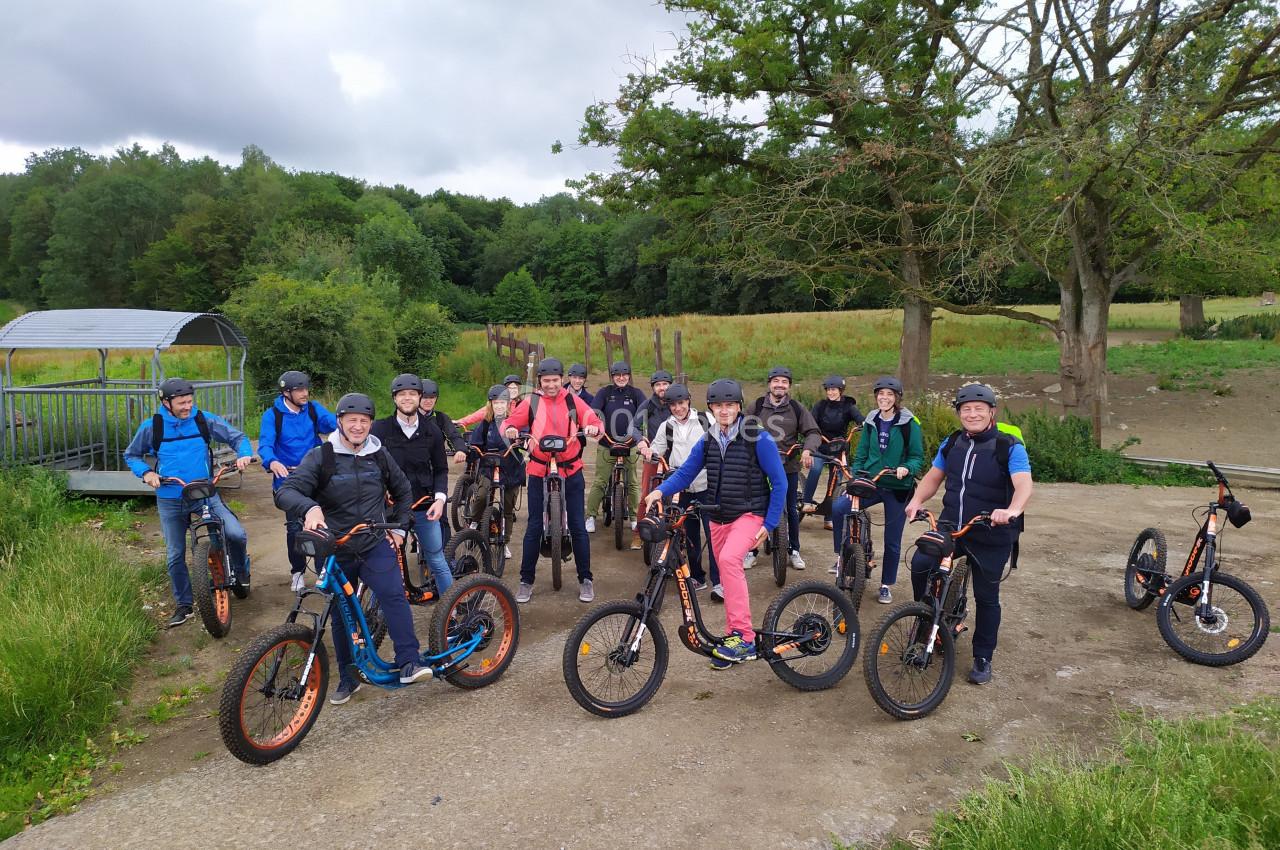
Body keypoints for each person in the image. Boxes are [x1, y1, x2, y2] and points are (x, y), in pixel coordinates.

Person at [275, 393, 432, 704]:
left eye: (363, 421)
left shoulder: (379, 454)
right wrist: (310, 508)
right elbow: (286, 492)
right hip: (336, 548)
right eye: (351, 420)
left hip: (374, 543)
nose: (358, 426)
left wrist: (399, 529)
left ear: (370, 423)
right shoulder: (322, 456)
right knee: (340, 613)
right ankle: (349, 677)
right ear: (339, 422)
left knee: (393, 596)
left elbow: (403, 491)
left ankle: (409, 661)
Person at [644, 379, 787, 668]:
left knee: (730, 561)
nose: (724, 411)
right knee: (726, 573)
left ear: (738, 406)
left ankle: (744, 637)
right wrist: (660, 491)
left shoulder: (757, 437)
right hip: (718, 517)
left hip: (750, 514)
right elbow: (687, 472)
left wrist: (770, 523)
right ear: (710, 408)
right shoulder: (709, 438)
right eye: (718, 406)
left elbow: (780, 482)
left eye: (730, 405)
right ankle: (733, 639)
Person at [903, 382, 1033, 686]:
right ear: (959, 413)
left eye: (979, 409)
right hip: (953, 525)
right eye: (966, 409)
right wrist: (916, 500)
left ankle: (983, 656)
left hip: (991, 530)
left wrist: (1012, 510)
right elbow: (934, 477)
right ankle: (928, 619)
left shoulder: (1008, 446)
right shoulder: (952, 443)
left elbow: (1024, 484)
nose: (972, 414)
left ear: (992, 412)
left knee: (987, 597)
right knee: (921, 563)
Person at [124, 378, 254, 627]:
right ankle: (184, 605)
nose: (187, 407)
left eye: (190, 401)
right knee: (175, 554)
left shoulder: (203, 420)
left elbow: (238, 437)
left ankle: (240, 572)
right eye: (182, 403)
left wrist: (244, 454)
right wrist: (146, 473)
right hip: (170, 498)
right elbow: (131, 455)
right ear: (166, 403)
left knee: (235, 534)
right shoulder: (153, 426)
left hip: (204, 493)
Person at [502, 357, 604, 603]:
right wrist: (511, 429)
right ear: (540, 381)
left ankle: (585, 579)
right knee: (534, 526)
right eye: (546, 380)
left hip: (571, 469)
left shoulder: (572, 400)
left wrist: (593, 427)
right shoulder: (532, 401)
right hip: (539, 470)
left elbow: (593, 419)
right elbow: (508, 422)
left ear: (562, 380)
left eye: (555, 380)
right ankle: (526, 581)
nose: (551, 385)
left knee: (578, 526)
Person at [834, 376, 924, 605]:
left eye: (889, 395)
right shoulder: (872, 420)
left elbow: (917, 457)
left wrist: (907, 467)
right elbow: (862, 453)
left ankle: (886, 585)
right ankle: (842, 556)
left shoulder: (909, 423)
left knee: (892, 540)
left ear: (897, 398)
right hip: (872, 482)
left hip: (898, 487)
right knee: (839, 507)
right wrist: (855, 479)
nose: (884, 398)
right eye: (881, 394)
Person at [370, 374, 454, 595]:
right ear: (394, 398)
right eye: (401, 394)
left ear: (419, 397)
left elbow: (441, 469)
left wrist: (440, 499)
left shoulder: (432, 431)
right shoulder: (379, 429)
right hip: (392, 509)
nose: (407, 398)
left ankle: (452, 609)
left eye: (412, 394)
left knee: (437, 560)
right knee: (385, 563)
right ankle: (381, 611)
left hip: (423, 507)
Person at [258, 370, 338, 592]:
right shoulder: (273, 415)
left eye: (306, 389)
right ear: (286, 393)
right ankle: (298, 571)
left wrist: (348, 424)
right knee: (295, 528)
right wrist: (272, 461)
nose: (305, 393)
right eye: (299, 390)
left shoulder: (312, 409)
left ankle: (323, 573)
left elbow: (332, 423)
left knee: (322, 525)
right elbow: (265, 444)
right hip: (289, 478)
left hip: (316, 475)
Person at [644, 384, 718, 595]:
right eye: (673, 405)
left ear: (688, 401)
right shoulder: (667, 426)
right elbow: (657, 449)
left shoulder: (705, 420)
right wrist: (648, 451)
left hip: (706, 485)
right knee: (690, 534)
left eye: (681, 403)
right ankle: (697, 576)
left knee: (713, 533)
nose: (678, 408)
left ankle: (719, 581)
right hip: (682, 488)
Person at [747, 366, 820, 570]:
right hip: (759, 468)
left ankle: (794, 550)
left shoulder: (796, 408)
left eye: (784, 382)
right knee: (756, 509)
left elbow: (813, 432)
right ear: (769, 384)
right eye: (776, 381)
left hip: (788, 466)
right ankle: (751, 551)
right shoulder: (757, 406)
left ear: (789, 386)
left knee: (791, 509)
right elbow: (741, 428)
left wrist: (808, 450)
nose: (780, 385)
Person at [586, 360, 646, 546]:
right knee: (600, 481)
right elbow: (594, 412)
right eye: (617, 375)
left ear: (629, 375)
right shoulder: (604, 393)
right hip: (607, 444)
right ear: (612, 376)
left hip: (630, 444)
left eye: (624, 374)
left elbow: (647, 411)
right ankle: (590, 516)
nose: (621, 378)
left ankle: (635, 517)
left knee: (633, 482)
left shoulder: (636, 393)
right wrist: (594, 425)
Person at [467, 384, 524, 561]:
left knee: (508, 508)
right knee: (482, 495)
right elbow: (475, 443)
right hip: (489, 467)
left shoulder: (515, 421)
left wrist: (521, 441)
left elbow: (525, 437)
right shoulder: (485, 424)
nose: (499, 406)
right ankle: (474, 522)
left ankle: (504, 542)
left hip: (511, 468)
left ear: (508, 404)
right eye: (495, 403)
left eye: (502, 403)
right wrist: (472, 450)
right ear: (490, 404)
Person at [801, 375, 863, 529]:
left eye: (834, 389)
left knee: (835, 481)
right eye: (828, 390)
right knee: (815, 469)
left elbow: (859, 418)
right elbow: (811, 421)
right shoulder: (820, 406)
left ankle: (829, 518)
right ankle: (807, 501)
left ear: (841, 390)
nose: (830, 392)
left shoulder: (848, 406)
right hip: (821, 446)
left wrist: (862, 423)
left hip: (839, 449)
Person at [632, 369, 674, 531]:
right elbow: (633, 426)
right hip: (653, 455)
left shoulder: (676, 403)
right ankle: (639, 533)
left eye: (665, 384)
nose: (662, 388)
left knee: (676, 495)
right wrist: (641, 441)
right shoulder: (648, 405)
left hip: (675, 456)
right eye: (658, 385)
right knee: (646, 493)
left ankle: (677, 532)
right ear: (653, 387)